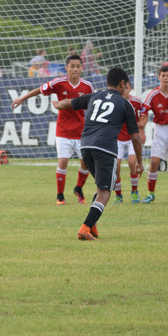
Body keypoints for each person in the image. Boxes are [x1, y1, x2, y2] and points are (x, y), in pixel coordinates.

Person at [52, 67, 144, 241]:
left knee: (100, 188)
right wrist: (139, 161)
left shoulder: (93, 96)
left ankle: (92, 226)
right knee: (105, 192)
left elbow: (68, 103)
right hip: (105, 149)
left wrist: (56, 104)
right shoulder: (125, 104)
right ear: (122, 83)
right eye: (126, 86)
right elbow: (136, 137)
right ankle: (85, 228)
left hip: (85, 147)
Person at [12, 54, 94, 205]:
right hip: (63, 130)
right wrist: (21, 99)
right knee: (63, 161)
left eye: (78, 66)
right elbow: (39, 90)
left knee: (86, 163)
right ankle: (60, 196)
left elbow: (93, 106)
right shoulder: (59, 83)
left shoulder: (87, 86)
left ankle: (78, 188)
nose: (75, 69)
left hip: (81, 131)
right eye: (72, 66)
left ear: (82, 68)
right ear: (66, 68)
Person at [138, 65, 168, 204]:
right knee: (154, 162)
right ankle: (150, 194)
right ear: (159, 77)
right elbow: (144, 109)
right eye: (163, 76)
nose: (165, 78)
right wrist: (143, 123)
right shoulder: (153, 94)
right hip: (159, 129)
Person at [113, 81, 145, 204]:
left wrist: (142, 127)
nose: (125, 90)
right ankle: (118, 195)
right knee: (115, 166)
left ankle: (134, 191)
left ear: (130, 88)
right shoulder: (115, 102)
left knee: (132, 162)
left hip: (132, 138)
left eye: (127, 88)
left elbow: (144, 113)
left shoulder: (136, 102)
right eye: (123, 88)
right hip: (118, 139)